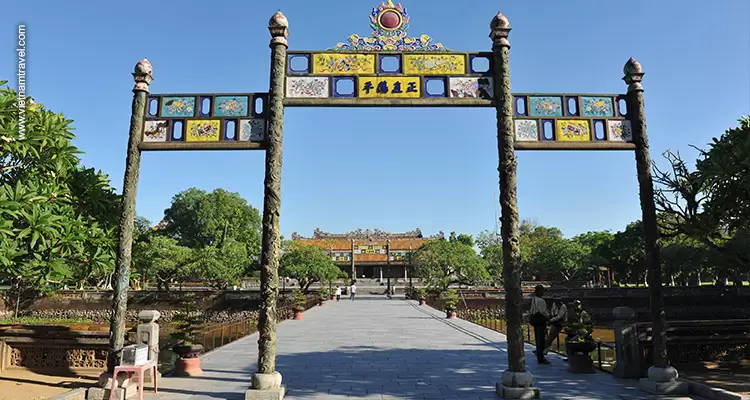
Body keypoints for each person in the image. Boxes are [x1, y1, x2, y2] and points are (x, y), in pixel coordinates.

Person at [527, 284, 550, 364]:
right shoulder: (541, 300)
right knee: (541, 339)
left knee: (538, 338)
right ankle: (541, 357)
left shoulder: (534, 299)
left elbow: (532, 310)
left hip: (535, 320)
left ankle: (539, 355)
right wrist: (548, 316)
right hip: (540, 321)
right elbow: (542, 312)